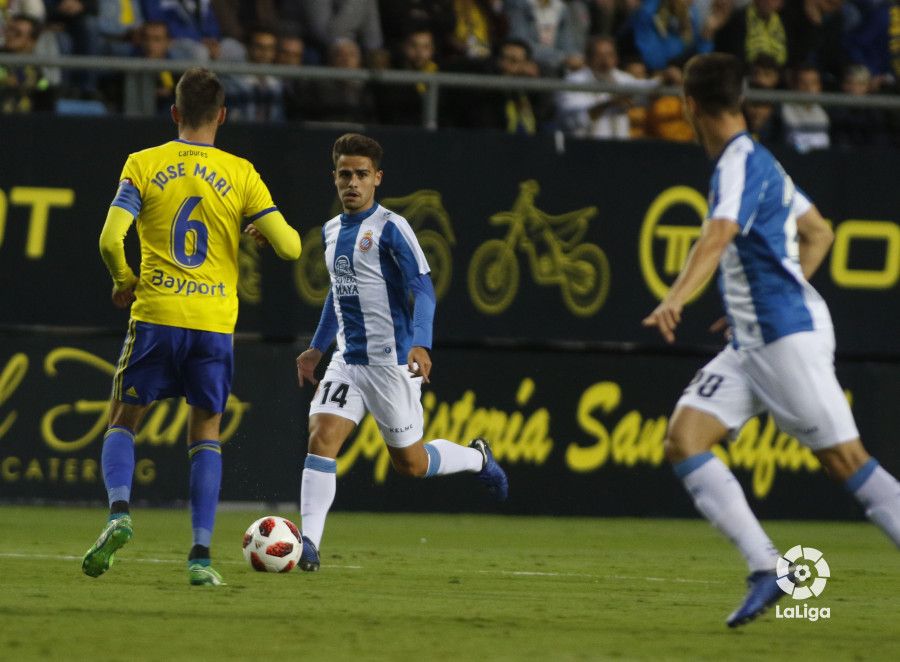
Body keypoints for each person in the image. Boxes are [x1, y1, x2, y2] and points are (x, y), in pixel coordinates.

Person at [642, 52, 900, 627]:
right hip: (755, 338)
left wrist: (676, 297)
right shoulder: (763, 160)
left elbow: (719, 234)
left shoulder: (737, 162)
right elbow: (819, 233)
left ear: (689, 107)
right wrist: (759, 300)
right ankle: (766, 568)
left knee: (847, 463)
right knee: (685, 438)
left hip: (785, 339)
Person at [82, 67, 302, 586]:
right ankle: (200, 557)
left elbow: (109, 240)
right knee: (206, 433)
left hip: (157, 314)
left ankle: (118, 515)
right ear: (222, 116)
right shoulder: (242, 173)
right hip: (213, 323)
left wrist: (123, 279)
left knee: (122, 420)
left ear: (175, 112)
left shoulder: (144, 163)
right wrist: (262, 234)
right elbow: (292, 246)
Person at [294, 133, 508, 571]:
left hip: (391, 364)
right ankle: (309, 546)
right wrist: (316, 348)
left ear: (377, 179)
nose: (351, 183)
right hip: (347, 362)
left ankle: (477, 457)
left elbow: (422, 290)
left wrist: (421, 343)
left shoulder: (392, 228)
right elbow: (339, 295)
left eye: (360, 175)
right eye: (344, 174)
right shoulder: (331, 230)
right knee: (321, 438)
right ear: (334, 178)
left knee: (410, 464)